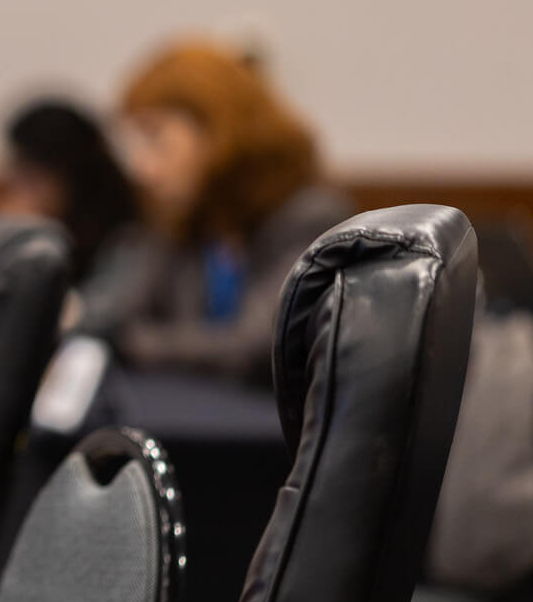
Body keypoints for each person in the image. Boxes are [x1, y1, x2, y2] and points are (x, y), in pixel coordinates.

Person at [80, 38, 352, 385]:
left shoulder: (310, 216)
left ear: (218, 132)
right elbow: (114, 311)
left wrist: (128, 341)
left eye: (155, 137)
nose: (140, 167)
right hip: (191, 422)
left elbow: (254, 348)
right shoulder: (185, 216)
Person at [0, 97, 142, 289]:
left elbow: (98, 313)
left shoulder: (127, 241)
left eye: (29, 178)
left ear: (68, 175)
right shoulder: (36, 232)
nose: (15, 195)